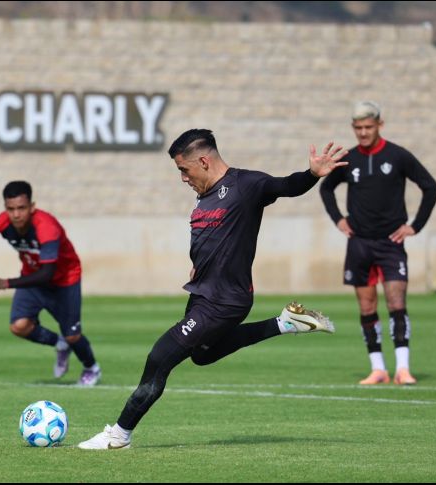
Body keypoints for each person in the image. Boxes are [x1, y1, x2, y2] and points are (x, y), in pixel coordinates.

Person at [77, 128, 345, 450]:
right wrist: (200, 264)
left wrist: (312, 174)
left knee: (160, 356)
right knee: (203, 356)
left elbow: (285, 185)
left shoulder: (246, 186)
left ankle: (118, 435)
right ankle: (285, 323)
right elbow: (215, 240)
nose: (182, 178)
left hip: (223, 301)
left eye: (183, 169)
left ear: (203, 161)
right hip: (203, 294)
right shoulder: (205, 197)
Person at [319, 101, 436, 386]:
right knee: (367, 305)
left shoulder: (397, 156)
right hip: (359, 243)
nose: (363, 133)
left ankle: (403, 369)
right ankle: (378, 368)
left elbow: (430, 187)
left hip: (390, 243)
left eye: (368, 127)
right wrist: (339, 219)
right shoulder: (348, 158)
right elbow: (326, 188)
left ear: (379, 125)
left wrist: (414, 226)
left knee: (397, 302)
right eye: (358, 128)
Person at [0, 181, 101, 386]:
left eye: (21, 208)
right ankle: (59, 344)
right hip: (33, 278)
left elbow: (47, 273)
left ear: (32, 207)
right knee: (19, 326)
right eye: (11, 209)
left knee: (73, 335)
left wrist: (6, 283)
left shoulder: (46, 228)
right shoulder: (2, 225)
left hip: (64, 280)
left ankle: (92, 368)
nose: (16, 214)